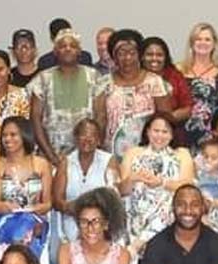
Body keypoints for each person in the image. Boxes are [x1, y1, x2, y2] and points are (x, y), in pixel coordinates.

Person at [119, 113, 195, 254]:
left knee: (170, 205)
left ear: (172, 135)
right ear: (148, 131)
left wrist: (162, 183)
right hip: (136, 207)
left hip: (166, 208)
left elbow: (188, 187)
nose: (160, 136)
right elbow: (122, 190)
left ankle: (137, 245)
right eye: (156, 131)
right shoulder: (133, 153)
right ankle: (135, 244)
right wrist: (133, 178)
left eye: (165, 132)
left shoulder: (182, 154)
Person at [27, 28, 104, 166]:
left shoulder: (94, 77)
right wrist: (52, 157)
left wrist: (92, 152)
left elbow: (101, 116)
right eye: (63, 46)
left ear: (79, 51)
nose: (68, 49)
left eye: (73, 46)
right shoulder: (42, 79)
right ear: (55, 51)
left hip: (87, 157)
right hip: (51, 158)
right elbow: (35, 119)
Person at [93, 29, 170, 159]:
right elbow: (100, 120)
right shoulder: (103, 84)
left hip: (149, 153)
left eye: (132, 53)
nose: (127, 58)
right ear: (113, 56)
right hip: (111, 154)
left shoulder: (155, 82)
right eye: (121, 53)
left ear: (139, 55)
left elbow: (165, 119)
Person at [0, 116, 52, 259]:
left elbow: (47, 204)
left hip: (34, 218)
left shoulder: (41, 164)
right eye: (4, 135)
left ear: (25, 135)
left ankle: (22, 262)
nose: (7, 139)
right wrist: (10, 207)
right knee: (24, 230)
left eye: (13, 134)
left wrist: (33, 209)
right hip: (5, 220)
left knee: (32, 225)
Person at [53, 118, 118, 242]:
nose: (87, 139)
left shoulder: (109, 161)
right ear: (76, 138)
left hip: (100, 227)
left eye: (92, 136)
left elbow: (113, 197)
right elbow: (57, 202)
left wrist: (92, 212)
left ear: (98, 140)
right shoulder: (65, 162)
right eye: (83, 135)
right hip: (71, 226)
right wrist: (71, 207)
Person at [178, 22, 218, 149]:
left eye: (207, 39)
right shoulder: (178, 71)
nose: (202, 43)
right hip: (182, 135)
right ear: (191, 43)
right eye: (198, 39)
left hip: (212, 138)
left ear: (214, 44)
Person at [142, 36, 193, 146]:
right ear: (142, 57)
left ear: (166, 57)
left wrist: (163, 123)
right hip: (139, 133)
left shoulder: (175, 76)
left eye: (159, 55)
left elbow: (187, 109)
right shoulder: (135, 77)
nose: (154, 59)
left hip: (170, 134)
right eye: (149, 54)